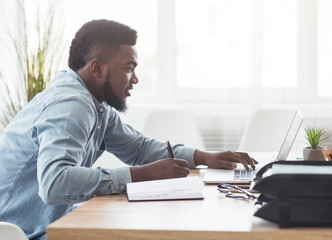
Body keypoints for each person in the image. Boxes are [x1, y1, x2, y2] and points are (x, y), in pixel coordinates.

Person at [0, 19, 257, 240]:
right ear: (97, 67)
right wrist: (140, 175)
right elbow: (54, 184)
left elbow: (140, 148)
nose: (135, 79)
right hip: (18, 232)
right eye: (129, 68)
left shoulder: (96, 105)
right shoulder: (71, 106)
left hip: (43, 226)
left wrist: (203, 157)